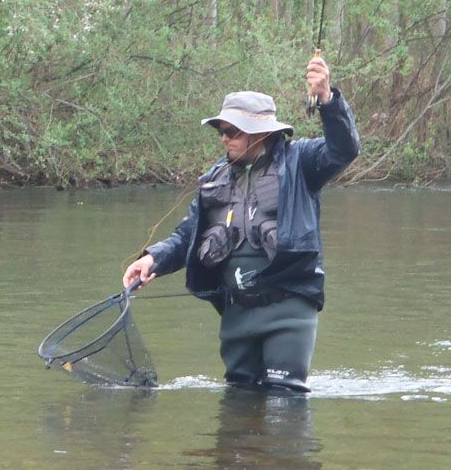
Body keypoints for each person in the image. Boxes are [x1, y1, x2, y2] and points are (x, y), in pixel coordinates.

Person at [122, 55, 360, 392]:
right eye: (221, 130)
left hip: (288, 312)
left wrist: (327, 99)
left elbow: (344, 149)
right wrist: (152, 259)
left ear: (260, 133)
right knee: (237, 412)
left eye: (232, 131)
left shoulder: (301, 163)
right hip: (236, 318)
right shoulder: (215, 178)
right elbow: (189, 233)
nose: (224, 138)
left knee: (283, 407)